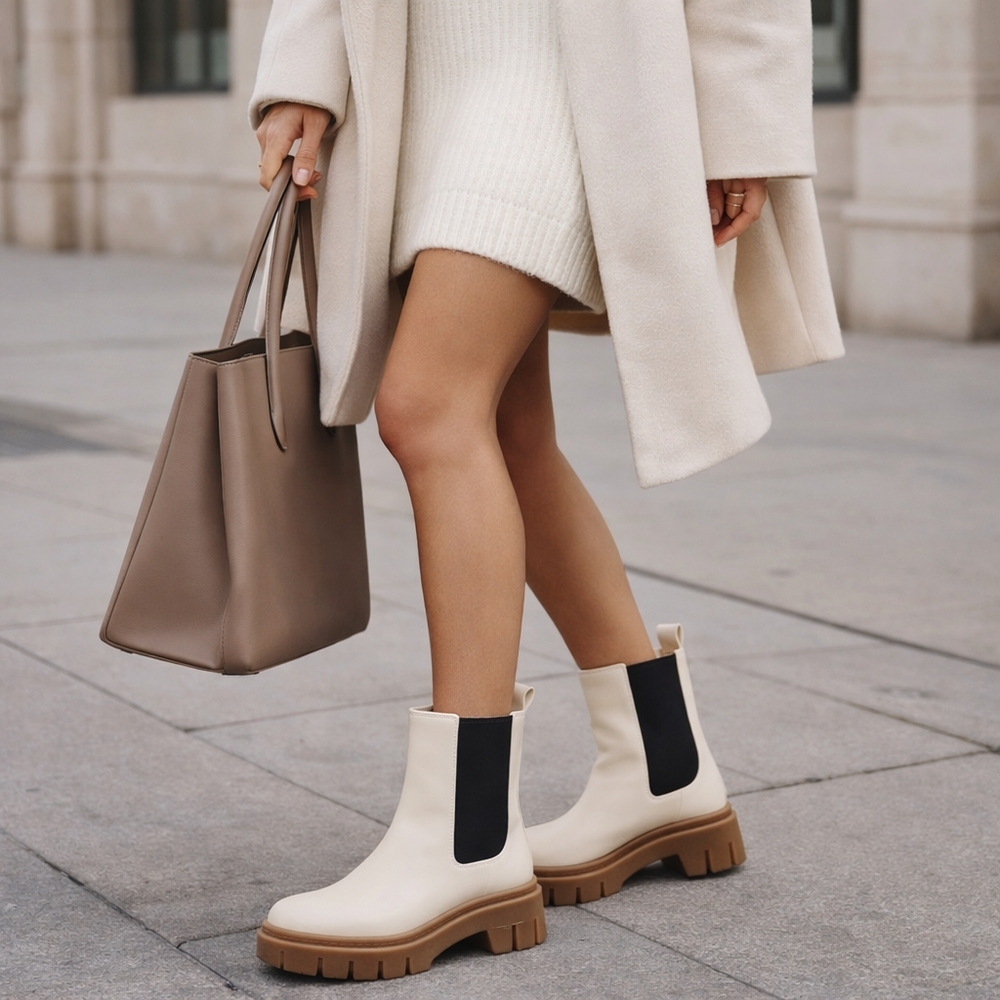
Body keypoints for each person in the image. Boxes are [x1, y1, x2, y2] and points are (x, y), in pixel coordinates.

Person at [248, 0, 843, 980]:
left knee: (429, 406)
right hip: (420, 74)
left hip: (567, 74)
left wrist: (737, 120)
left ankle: (466, 840)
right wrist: (302, 73)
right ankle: (662, 770)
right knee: (508, 432)